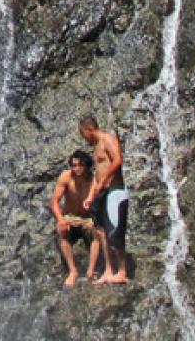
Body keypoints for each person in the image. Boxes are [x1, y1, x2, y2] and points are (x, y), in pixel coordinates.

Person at [79, 115, 129, 285]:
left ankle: (121, 271)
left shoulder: (108, 139)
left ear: (88, 129)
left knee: (115, 230)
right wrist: (91, 195)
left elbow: (117, 161)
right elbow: (97, 174)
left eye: (82, 133)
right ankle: (109, 270)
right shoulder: (96, 147)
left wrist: (103, 182)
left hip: (114, 190)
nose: (83, 137)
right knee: (101, 231)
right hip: (101, 192)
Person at [50, 150, 100, 287]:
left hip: (87, 218)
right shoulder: (66, 177)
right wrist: (60, 220)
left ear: (87, 166)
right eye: (73, 165)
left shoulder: (94, 178)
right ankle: (73, 271)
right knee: (61, 232)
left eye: (80, 165)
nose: (76, 168)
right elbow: (54, 201)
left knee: (98, 231)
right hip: (70, 216)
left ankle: (91, 270)